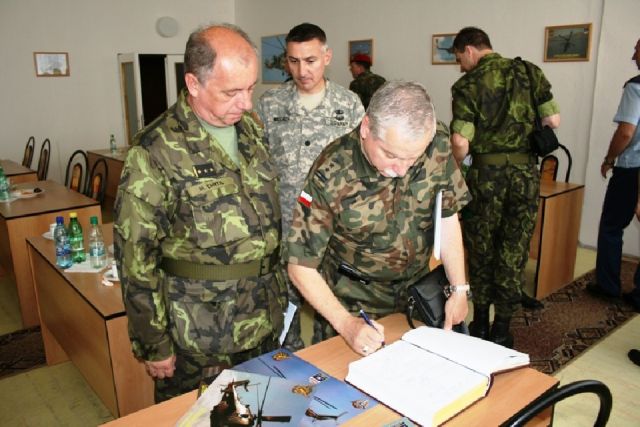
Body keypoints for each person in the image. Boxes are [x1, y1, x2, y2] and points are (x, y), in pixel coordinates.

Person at [113, 23, 286, 402]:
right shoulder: (155, 150)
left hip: (263, 317)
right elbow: (135, 258)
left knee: (265, 410)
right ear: (193, 83)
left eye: (251, 88)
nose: (247, 103)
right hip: (201, 336)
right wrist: (153, 342)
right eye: (232, 92)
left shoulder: (250, 131)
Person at [286, 81, 470, 356]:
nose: (401, 169)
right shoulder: (332, 171)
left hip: (416, 297)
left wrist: (459, 288)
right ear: (366, 128)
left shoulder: (437, 146)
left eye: (412, 159)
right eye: (390, 155)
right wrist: (347, 325)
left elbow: (447, 216)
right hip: (354, 304)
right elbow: (300, 265)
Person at [449, 27, 560, 348]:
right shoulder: (529, 72)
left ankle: (480, 322)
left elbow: (460, 141)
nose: (460, 66)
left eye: (459, 58)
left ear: (469, 50)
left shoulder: (468, 85)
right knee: (514, 249)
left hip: (486, 177)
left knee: (481, 249)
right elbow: (554, 120)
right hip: (524, 176)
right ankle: (502, 327)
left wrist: (456, 167)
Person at [257, 22, 364, 350]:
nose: (302, 70)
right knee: (284, 309)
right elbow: (257, 163)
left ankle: (326, 365)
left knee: (329, 312)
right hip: (284, 225)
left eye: (310, 60)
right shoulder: (270, 104)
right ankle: (289, 364)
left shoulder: (349, 105)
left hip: (332, 229)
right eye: (293, 61)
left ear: (327, 57)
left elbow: (361, 169)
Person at [586, 38, 640, 313]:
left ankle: (608, 286)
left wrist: (609, 159)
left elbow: (626, 132)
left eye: (637, 50)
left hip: (632, 169)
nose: (633, 56)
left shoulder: (635, 87)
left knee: (611, 226)